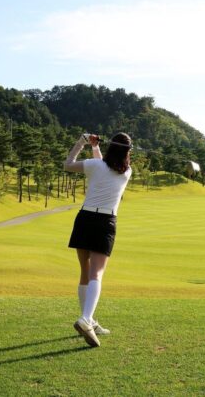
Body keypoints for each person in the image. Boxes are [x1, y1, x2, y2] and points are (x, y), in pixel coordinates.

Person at [64, 132, 133, 347]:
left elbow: (68, 164)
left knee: (85, 272)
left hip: (84, 218)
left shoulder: (94, 165)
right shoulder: (127, 172)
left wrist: (82, 142)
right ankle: (86, 319)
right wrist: (95, 148)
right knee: (96, 273)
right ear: (127, 152)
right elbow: (105, 166)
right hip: (105, 222)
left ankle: (90, 321)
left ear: (110, 147)